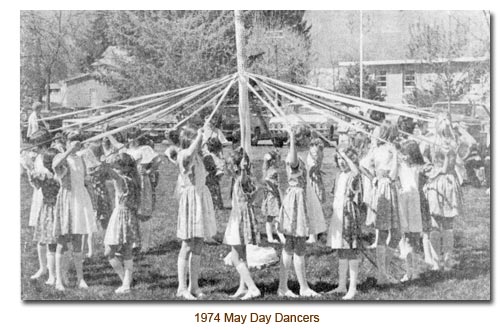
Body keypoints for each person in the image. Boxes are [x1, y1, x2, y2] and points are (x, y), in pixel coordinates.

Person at [277, 125, 319, 297]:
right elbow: (293, 161)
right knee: (298, 244)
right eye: (308, 137)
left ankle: (283, 287)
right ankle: (302, 287)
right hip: (295, 200)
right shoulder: (292, 157)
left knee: (291, 245)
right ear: (302, 139)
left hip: (297, 199)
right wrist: (292, 137)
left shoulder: (301, 156)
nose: (310, 140)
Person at [175, 125, 217, 299]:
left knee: (198, 243)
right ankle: (181, 287)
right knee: (187, 244)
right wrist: (199, 137)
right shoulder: (184, 155)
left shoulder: (199, 156)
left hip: (200, 198)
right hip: (191, 200)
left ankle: (194, 285)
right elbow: (189, 155)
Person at [52, 131, 98, 291]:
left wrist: (93, 200)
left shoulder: (81, 159)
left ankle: (80, 278)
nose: (75, 144)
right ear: (66, 142)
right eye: (72, 141)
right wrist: (69, 151)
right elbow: (55, 166)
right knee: (62, 241)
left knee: (78, 239)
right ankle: (58, 279)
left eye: (77, 141)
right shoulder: (60, 157)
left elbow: (86, 180)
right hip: (67, 200)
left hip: (80, 199)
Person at [360, 121, 400, 285]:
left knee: (393, 233)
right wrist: (396, 155)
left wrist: (373, 178)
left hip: (386, 189)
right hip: (387, 189)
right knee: (388, 232)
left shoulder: (377, 150)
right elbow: (393, 174)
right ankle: (382, 274)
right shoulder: (389, 151)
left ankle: (383, 272)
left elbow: (362, 165)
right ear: (391, 134)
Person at [424, 116, 463, 271]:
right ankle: (441, 261)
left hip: (440, 182)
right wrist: (431, 166)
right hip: (443, 182)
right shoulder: (444, 142)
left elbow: (447, 167)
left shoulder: (434, 141)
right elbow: (445, 167)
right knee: (443, 223)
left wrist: (432, 169)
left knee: (440, 223)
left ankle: (442, 261)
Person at [223, 149, 261, 300]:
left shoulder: (242, 179)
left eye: (232, 165)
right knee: (242, 255)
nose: (230, 168)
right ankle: (243, 286)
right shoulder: (241, 178)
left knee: (235, 258)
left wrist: (244, 168)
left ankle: (253, 288)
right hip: (241, 216)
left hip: (239, 218)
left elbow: (243, 179)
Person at [327, 148, 362, 300]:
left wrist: (347, 156)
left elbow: (356, 172)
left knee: (350, 249)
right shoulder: (339, 175)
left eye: (344, 159)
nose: (342, 162)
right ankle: (342, 285)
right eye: (339, 159)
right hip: (338, 213)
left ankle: (352, 288)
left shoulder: (352, 175)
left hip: (348, 212)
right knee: (341, 249)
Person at [103, 153, 141, 294]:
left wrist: (105, 165)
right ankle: (127, 281)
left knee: (110, 252)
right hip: (129, 216)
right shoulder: (134, 179)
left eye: (117, 167)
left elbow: (112, 174)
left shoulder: (122, 180)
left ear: (123, 168)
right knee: (126, 251)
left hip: (120, 216)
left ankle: (126, 283)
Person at [397, 140, 431, 281]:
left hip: (416, 204)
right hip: (404, 202)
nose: (404, 157)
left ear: (413, 154)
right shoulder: (399, 166)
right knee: (405, 238)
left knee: (414, 238)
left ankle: (415, 270)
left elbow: (429, 169)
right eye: (403, 154)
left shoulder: (419, 168)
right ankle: (408, 270)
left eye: (407, 154)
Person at [22, 129, 53, 280]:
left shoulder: (51, 157)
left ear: (42, 144)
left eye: (36, 145)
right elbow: (36, 185)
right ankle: (43, 267)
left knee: (51, 235)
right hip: (40, 196)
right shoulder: (38, 158)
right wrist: (30, 172)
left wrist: (39, 176)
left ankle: (53, 270)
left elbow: (54, 178)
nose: (33, 148)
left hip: (51, 199)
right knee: (40, 234)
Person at [26, 148, 60, 285]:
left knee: (50, 243)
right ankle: (50, 273)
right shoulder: (57, 174)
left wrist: (29, 169)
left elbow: (35, 184)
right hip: (52, 209)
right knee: (51, 243)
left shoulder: (46, 175)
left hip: (50, 209)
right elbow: (36, 185)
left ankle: (52, 275)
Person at [126, 131, 161, 252]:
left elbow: (158, 160)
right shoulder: (125, 150)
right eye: (130, 137)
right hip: (130, 183)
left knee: (143, 213)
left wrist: (148, 171)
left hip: (141, 182)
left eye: (136, 137)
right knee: (131, 212)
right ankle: (135, 242)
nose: (133, 139)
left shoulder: (145, 148)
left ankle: (145, 245)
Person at [305, 138, 327, 244]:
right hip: (317, 179)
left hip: (312, 180)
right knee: (316, 207)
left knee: (312, 207)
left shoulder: (314, 151)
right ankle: (318, 232)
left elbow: (312, 166)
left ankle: (313, 235)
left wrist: (307, 176)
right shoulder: (320, 151)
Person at [261, 150, 285, 244]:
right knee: (277, 216)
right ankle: (280, 236)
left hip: (269, 196)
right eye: (279, 160)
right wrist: (276, 191)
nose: (280, 162)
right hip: (273, 197)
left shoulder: (267, 170)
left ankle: (271, 237)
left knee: (270, 217)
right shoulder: (274, 172)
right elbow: (269, 181)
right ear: (274, 161)